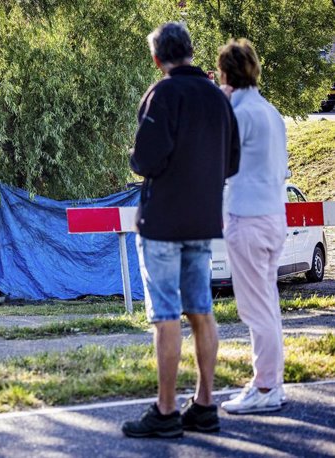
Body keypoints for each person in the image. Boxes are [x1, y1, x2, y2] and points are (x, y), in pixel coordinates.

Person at [122, 22, 240, 438]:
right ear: (190, 51)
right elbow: (232, 164)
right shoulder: (217, 97)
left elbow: (145, 160)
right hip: (203, 219)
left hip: (163, 222)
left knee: (167, 315)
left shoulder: (162, 94)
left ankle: (166, 411)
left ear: (157, 59)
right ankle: (205, 405)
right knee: (202, 311)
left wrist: (136, 156)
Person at [216, 39, 288, 414]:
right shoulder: (271, 112)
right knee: (268, 305)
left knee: (256, 309)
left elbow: (221, 165)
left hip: (247, 218)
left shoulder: (238, 114)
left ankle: (265, 388)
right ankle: (271, 382)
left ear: (226, 74)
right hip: (275, 216)